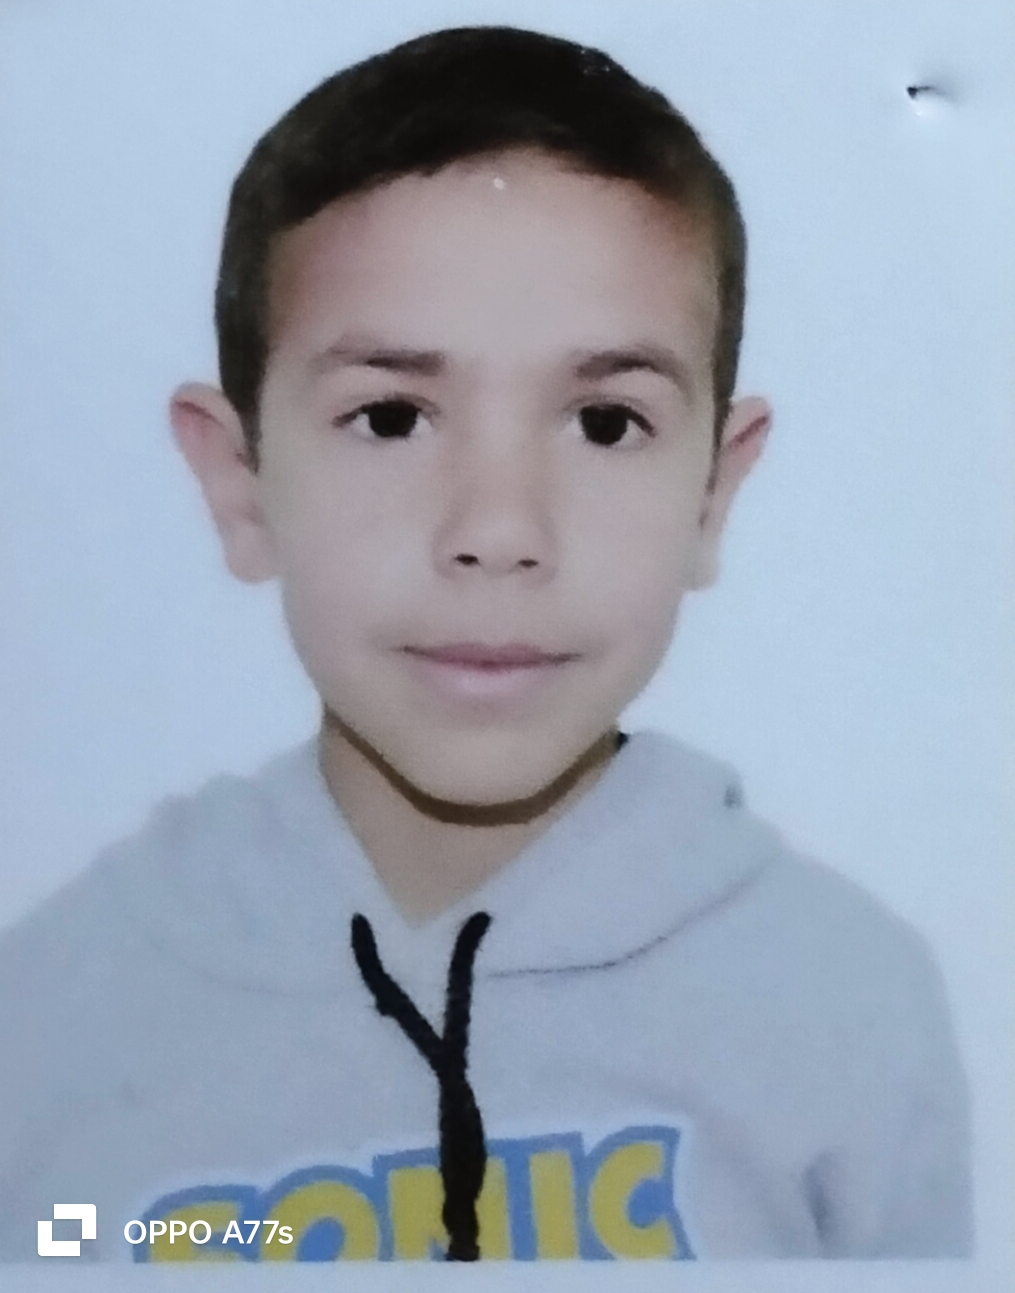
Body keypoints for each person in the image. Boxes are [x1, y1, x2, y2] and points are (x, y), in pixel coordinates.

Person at [0, 26, 971, 1263]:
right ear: (239, 484)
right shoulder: (53, 1017)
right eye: (390, 417)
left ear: (713, 495)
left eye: (606, 424)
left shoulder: (842, 1007)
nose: (498, 532)